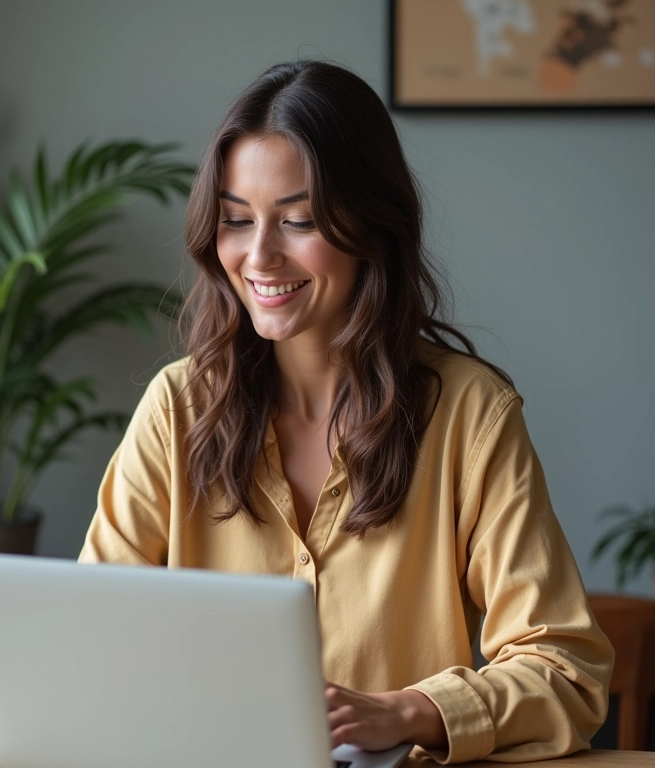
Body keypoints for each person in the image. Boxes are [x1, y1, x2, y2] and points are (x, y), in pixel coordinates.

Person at [79, 60, 613, 763]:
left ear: (373, 223)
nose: (260, 256)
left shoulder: (470, 414)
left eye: (298, 220)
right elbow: (88, 641)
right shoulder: (177, 408)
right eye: (236, 220)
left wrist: (408, 712)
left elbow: (566, 671)